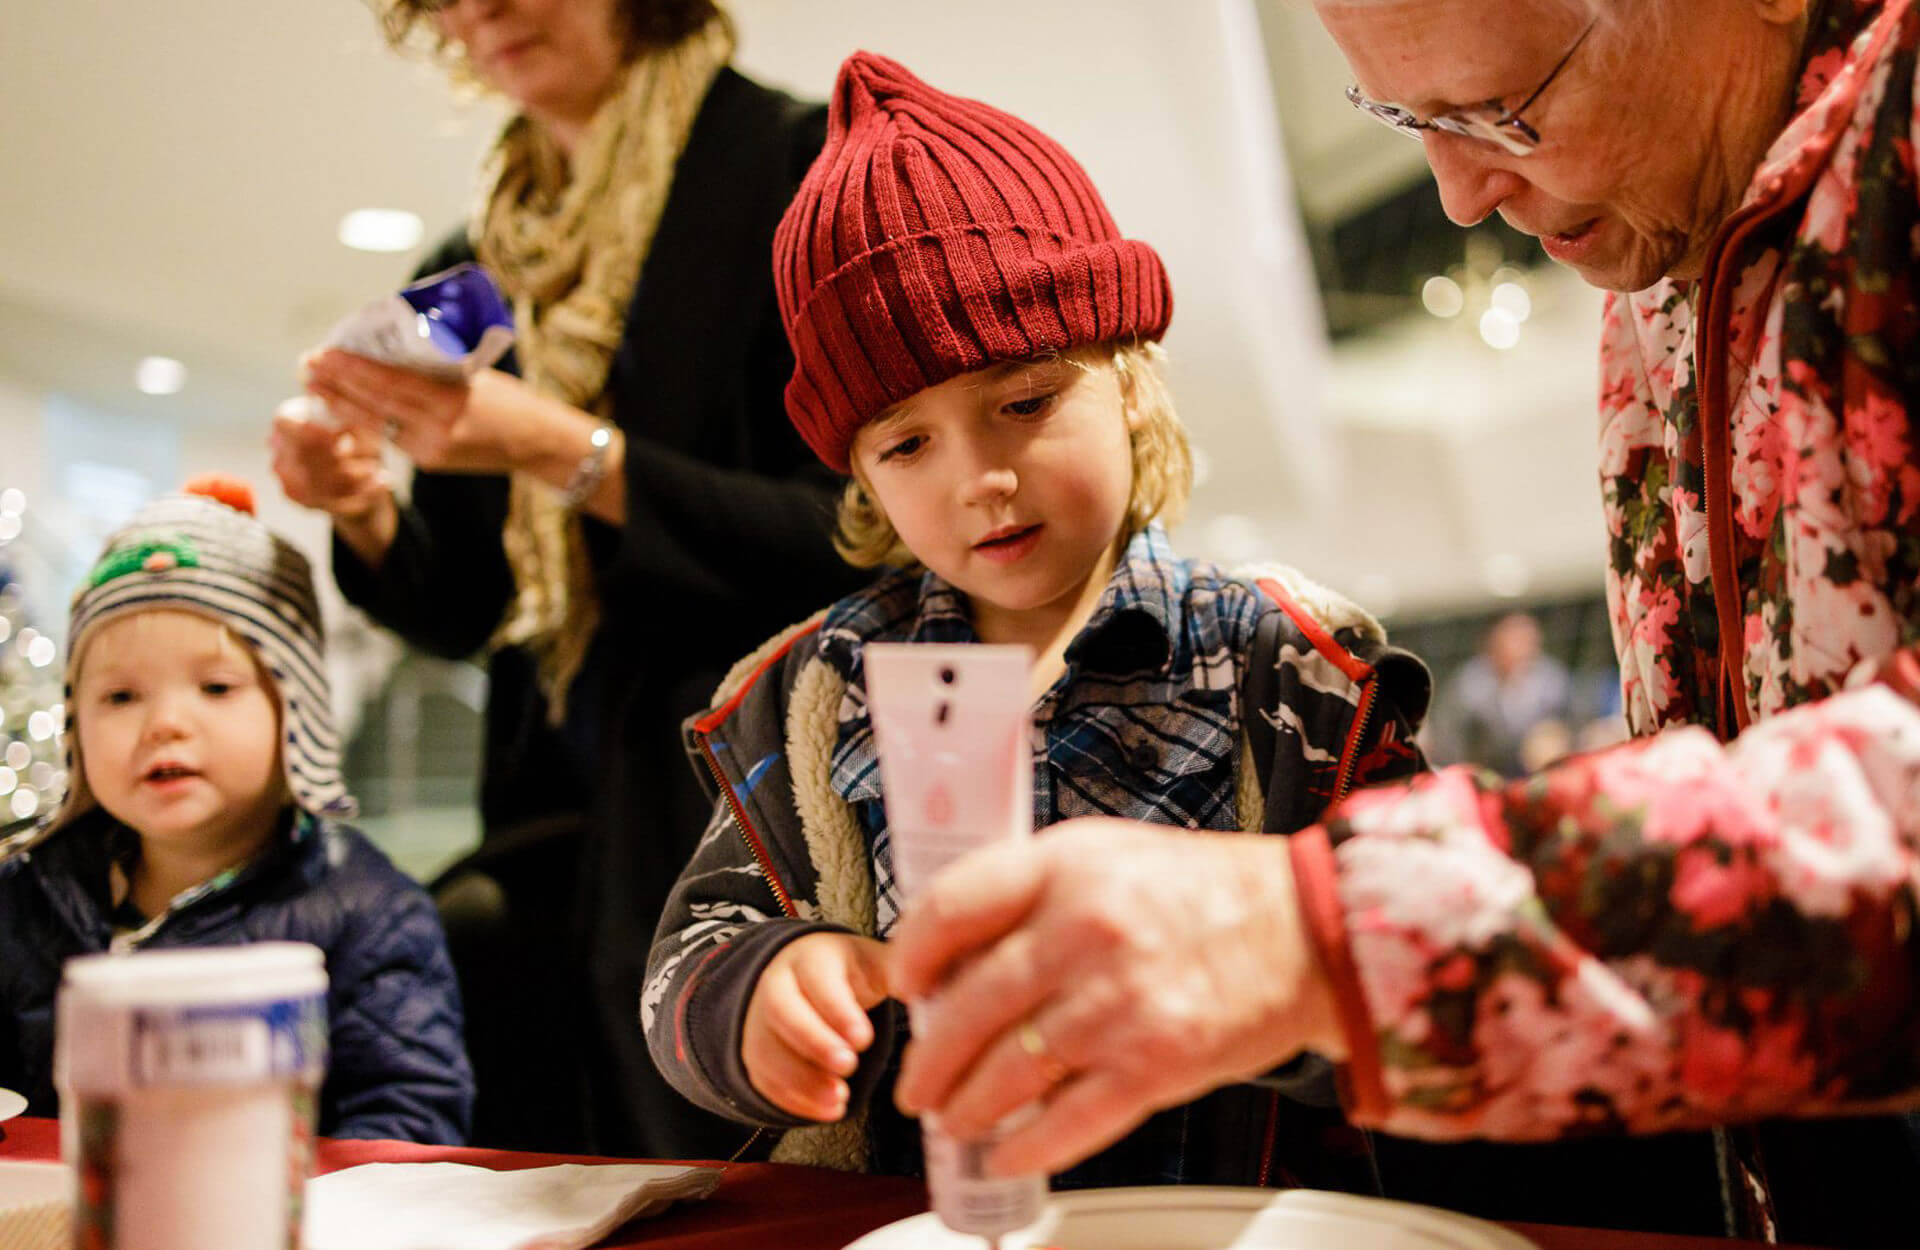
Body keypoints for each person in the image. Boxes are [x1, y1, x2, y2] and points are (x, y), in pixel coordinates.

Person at [885, 0, 1920, 1243]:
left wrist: (1326, 939)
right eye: (1407, 120)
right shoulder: (1665, 240)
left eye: (1497, 110)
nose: (1462, 195)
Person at [640, 51, 1430, 1186]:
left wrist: (1273, 979)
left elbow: (1424, 951)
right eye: (907, 443)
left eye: (1025, 401)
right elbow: (688, 955)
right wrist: (757, 996)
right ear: (860, 477)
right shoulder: (813, 696)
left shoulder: (1293, 667)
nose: (982, 479)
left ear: (1131, 380)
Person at [269, 0, 862, 1156]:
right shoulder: (475, 260)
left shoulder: (799, 172)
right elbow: (464, 607)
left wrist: (562, 448)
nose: (478, 11)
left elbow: (851, 535)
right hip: (551, 821)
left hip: (747, 813)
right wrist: (364, 506)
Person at [0, 478, 473, 1145]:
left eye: (216, 687)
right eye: (120, 697)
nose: (164, 722)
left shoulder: (371, 912)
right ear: (75, 723)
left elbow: (409, 1123)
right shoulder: (27, 893)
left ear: (297, 712)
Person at [1424, 611, 1574, 775]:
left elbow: (1568, 724)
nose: (1525, 647)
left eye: (1529, 640)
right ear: (1493, 642)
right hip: (1484, 773)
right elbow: (1448, 737)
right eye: (1516, 639)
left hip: (1540, 771)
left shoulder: (1551, 679)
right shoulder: (1469, 685)